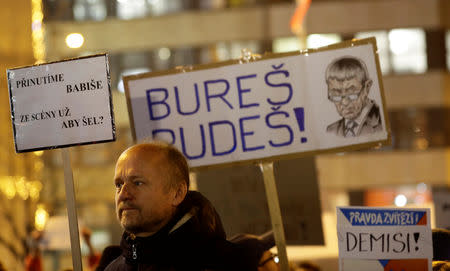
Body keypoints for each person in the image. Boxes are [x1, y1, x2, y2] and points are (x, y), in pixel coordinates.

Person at [105, 141, 266, 271]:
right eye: (119, 184)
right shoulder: (114, 268)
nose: (123, 194)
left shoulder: (228, 263)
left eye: (138, 183)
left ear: (177, 193)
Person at [325, 56, 382, 137]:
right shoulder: (331, 130)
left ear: (367, 87)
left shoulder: (382, 123)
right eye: (336, 95)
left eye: (351, 94)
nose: (345, 103)